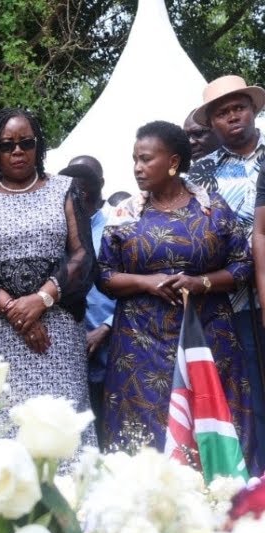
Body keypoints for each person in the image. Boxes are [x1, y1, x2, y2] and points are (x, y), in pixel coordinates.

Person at [99, 121, 252, 455]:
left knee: (210, 431)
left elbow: (243, 264)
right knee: (143, 439)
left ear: (172, 162)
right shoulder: (125, 214)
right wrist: (146, 283)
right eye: (134, 160)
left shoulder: (212, 209)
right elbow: (104, 275)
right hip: (140, 346)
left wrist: (201, 283)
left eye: (145, 159)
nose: (137, 168)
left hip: (207, 338)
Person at [0, 109, 96, 446]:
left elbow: (82, 256)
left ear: (39, 146)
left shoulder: (66, 189)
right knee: (9, 430)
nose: (17, 151)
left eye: (26, 143)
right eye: (7, 146)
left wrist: (41, 299)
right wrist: (17, 312)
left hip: (57, 334)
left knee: (63, 429)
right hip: (0, 334)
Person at [188, 75, 265, 474]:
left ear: (253, 111)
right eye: (223, 113)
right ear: (213, 123)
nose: (233, 117)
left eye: (238, 108)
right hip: (233, 300)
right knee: (251, 392)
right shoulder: (199, 175)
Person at [59, 159, 113, 445]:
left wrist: (106, 327)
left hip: (115, 342)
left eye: (84, 186)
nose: (78, 193)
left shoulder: (118, 224)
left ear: (98, 186)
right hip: (70, 346)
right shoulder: (59, 228)